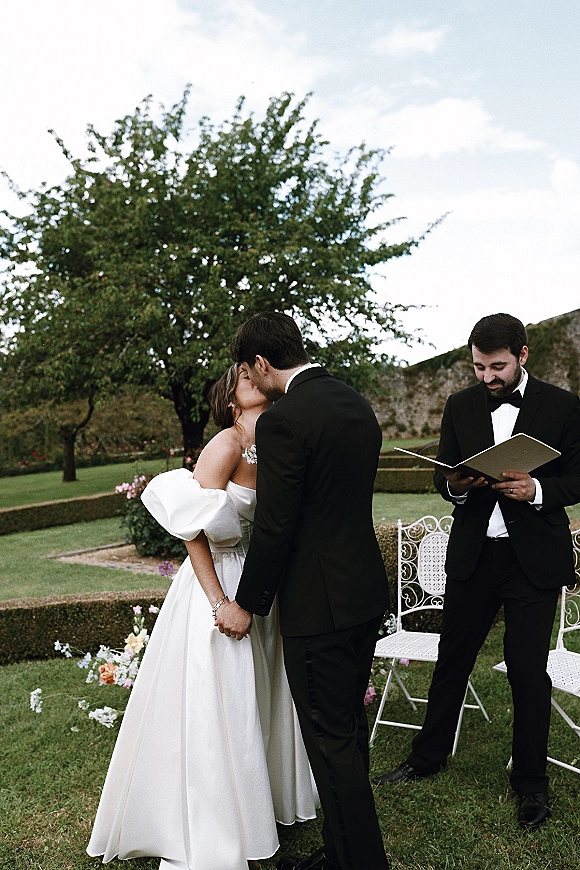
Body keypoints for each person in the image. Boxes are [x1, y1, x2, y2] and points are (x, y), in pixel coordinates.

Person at [87, 364, 317, 870]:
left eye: (256, 370)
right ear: (231, 398)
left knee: (260, 695)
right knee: (227, 700)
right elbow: (193, 531)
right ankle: (217, 823)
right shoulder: (224, 446)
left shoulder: (275, 441)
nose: (252, 374)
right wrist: (218, 603)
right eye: (241, 374)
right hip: (220, 586)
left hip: (260, 588)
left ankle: (262, 805)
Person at [374, 313, 580, 829]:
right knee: (452, 659)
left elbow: (578, 478)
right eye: (478, 367)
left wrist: (537, 491)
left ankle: (531, 784)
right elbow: (443, 479)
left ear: (523, 356)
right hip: (472, 555)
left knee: (529, 671)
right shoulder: (459, 405)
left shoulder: (562, 405)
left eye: (497, 367)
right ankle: (427, 757)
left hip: (531, 560)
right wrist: (459, 485)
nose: (487, 378)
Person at [220, 312, 391, 870]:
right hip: (365, 592)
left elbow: (275, 527)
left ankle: (361, 862)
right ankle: (341, 852)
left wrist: (245, 603)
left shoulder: (283, 421)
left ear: (261, 364)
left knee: (330, 741)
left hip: (320, 607)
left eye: (249, 370)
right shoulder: (355, 403)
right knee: (347, 733)